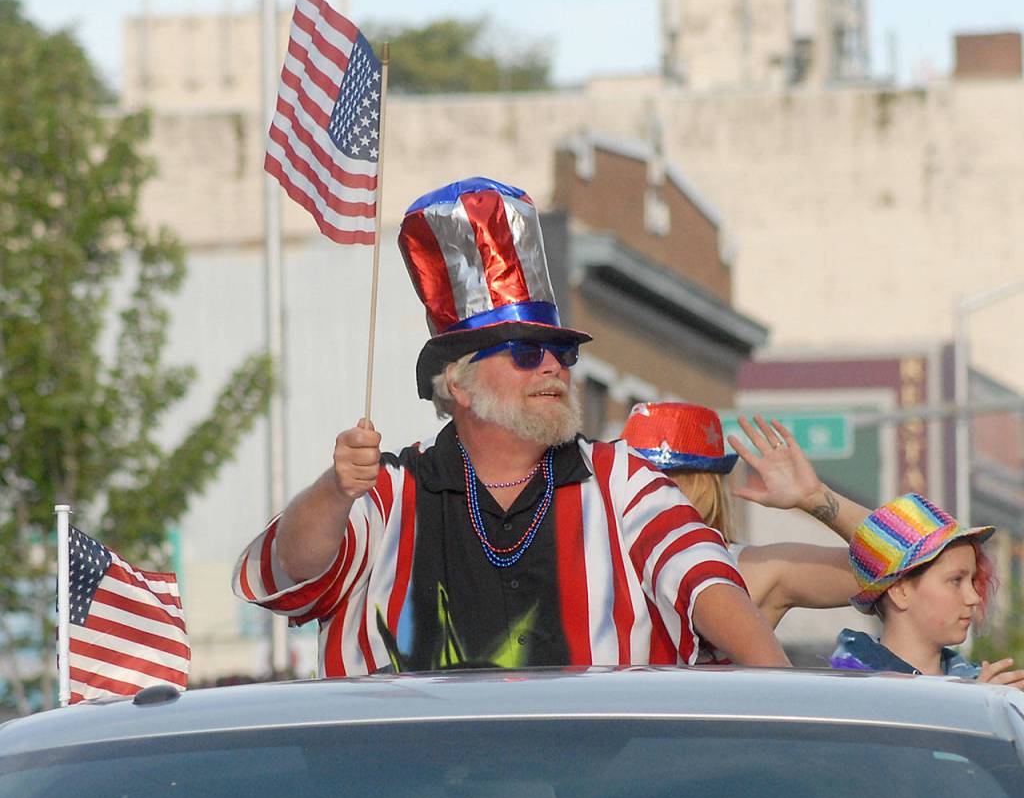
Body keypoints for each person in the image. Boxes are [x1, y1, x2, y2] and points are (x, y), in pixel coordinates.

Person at [232, 177, 789, 676]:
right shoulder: (391, 490)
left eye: (561, 353)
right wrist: (334, 490)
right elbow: (292, 569)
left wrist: (792, 708)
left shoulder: (622, 480)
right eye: (526, 352)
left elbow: (708, 584)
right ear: (459, 384)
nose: (553, 366)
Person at [621, 403, 862, 629]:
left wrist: (815, 497)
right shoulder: (594, 561)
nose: (639, 490)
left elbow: (896, 565)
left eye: (659, 477)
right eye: (627, 476)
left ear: (704, 484)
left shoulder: (752, 570)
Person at [828, 493, 1024, 686]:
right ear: (900, 591)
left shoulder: (979, 682)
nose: (974, 597)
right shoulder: (849, 691)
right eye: (956, 580)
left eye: (972, 580)